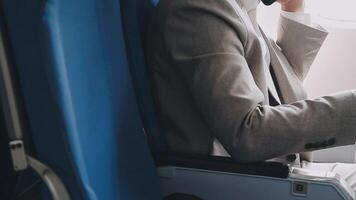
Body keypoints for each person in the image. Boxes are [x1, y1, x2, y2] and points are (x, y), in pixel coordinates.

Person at [145, 0, 356, 197]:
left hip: (273, 168)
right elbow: (247, 134)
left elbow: (280, 93)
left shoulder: (240, 6)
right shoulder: (200, 10)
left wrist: (294, 7)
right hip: (238, 181)